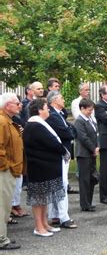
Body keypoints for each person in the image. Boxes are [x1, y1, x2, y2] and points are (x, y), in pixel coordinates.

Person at [23, 98, 66, 237]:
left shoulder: (40, 123)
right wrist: (61, 149)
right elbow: (51, 143)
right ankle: (38, 226)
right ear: (40, 110)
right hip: (39, 167)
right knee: (39, 198)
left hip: (46, 166)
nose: (48, 110)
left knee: (45, 197)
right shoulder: (35, 125)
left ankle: (45, 223)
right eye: (46, 107)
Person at [45, 91, 77, 229]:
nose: (64, 100)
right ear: (54, 100)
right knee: (61, 184)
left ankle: (55, 215)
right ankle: (63, 216)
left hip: (63, 152)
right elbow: (67, 132)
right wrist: (69, 130)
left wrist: (69, 129)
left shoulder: (60, 113)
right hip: (58, 154)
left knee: (58, 184)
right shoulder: (53, 115)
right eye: (62, 98)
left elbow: (71, 129)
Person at [0, 93, 23, 250]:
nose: (20, 105)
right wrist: (5, 166)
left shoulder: (8, 121)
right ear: (8, 105)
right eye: (16, 103)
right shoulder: (2, 122)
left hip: (9, 169)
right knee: (2, 205)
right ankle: (1, 239)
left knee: (6, 205)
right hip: (4, 170)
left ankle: (3, 235)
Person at [74, 99, 99, 211]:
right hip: (84, 154)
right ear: (82, 108)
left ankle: (89, 201)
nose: (91, 112)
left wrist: (97, 146)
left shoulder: (90, 120)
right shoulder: (80, 121)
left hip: (91, 153)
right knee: (84, 180)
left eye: (92, 109)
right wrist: (93, 148)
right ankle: (85, 204)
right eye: (89, 110)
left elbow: (96, 134)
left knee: (92, 178)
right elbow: (83, 137)